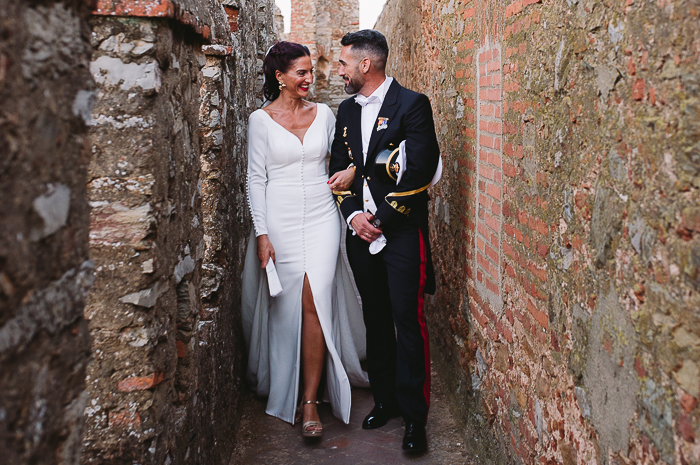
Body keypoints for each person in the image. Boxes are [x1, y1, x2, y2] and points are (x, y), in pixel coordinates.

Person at [241, 41, 369, 439]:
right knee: (286, 306)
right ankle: (287, 385)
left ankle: (311, 400)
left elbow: (347, 158)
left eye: (311, 71)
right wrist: (262, 233)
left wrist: (351, 172)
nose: (309, 79)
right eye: (301, 72)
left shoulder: (325, 114)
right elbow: (255, 179)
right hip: (278, 218)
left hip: (321, 216)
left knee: (315, 299)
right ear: (279, 76)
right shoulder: (260, 121)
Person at [328, 29, 440, 452]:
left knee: (407, 320)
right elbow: (340, 167)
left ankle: (414, 418)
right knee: (374, 317)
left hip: (402, 232)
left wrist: (381, 219)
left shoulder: (412, 104)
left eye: (343, 63)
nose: (339, 70)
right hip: (360, 234)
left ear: (365, 64)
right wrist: (354, 216)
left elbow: (420, 171)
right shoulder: (345, 110)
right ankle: (385, 399)